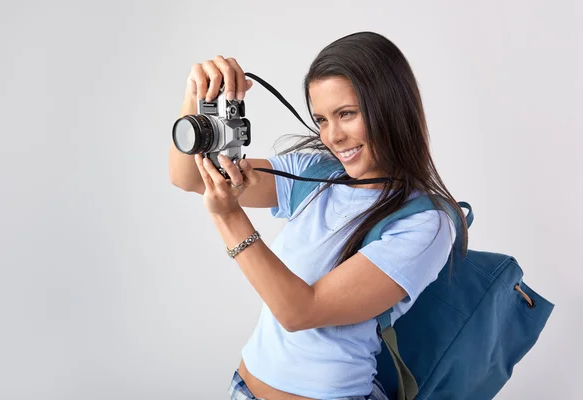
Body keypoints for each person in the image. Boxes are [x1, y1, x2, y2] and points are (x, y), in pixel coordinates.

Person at [169, 31, 467, 400]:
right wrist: (195, 98)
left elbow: (298, 311)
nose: (333, 136)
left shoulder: (425, 223)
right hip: (244, 387)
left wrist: (228, 217)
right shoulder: (316, 174)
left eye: (347, 114)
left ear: (390, 107)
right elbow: (186, 178)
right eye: (322, 120)